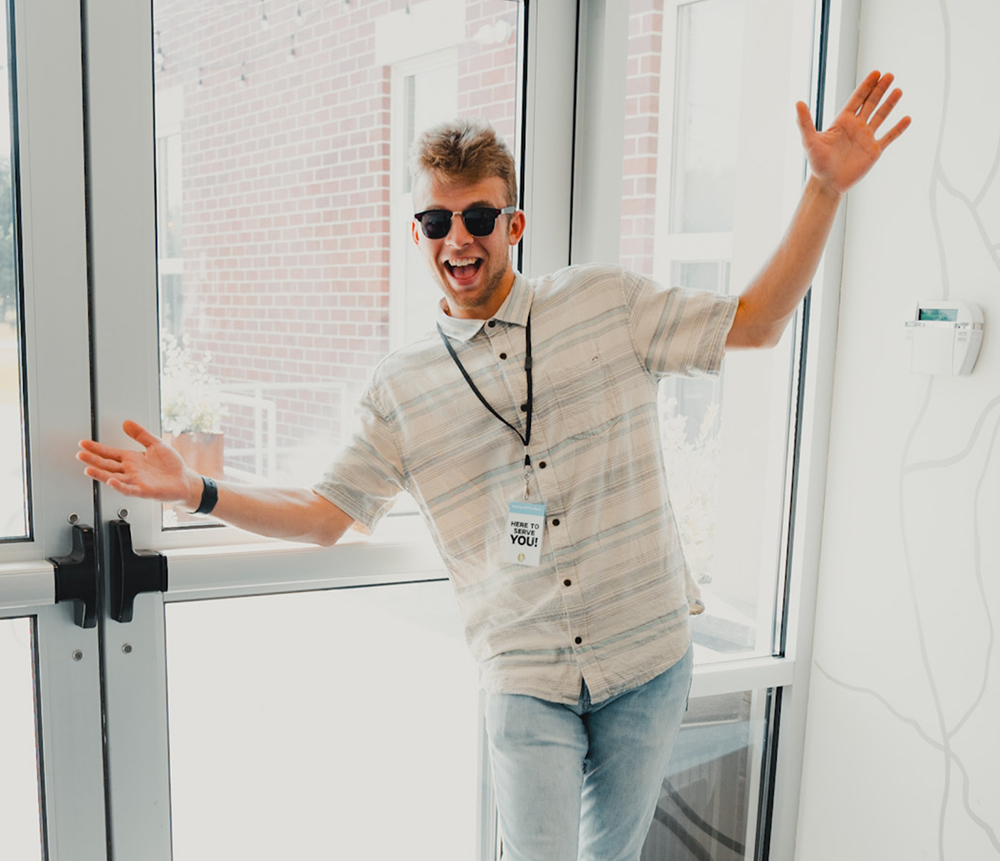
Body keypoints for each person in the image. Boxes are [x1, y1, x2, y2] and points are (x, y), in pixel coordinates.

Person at [78, 71, 909, 861]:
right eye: (437, 223)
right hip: (525, 673)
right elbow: (325, 512)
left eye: (478, 217)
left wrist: (824, 188)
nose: (458, 239)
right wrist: (194, 489)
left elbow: (756, 323)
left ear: (513, 224)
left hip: (647, 653)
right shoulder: (399, 386)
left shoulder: (603, 302)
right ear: (417, 235)